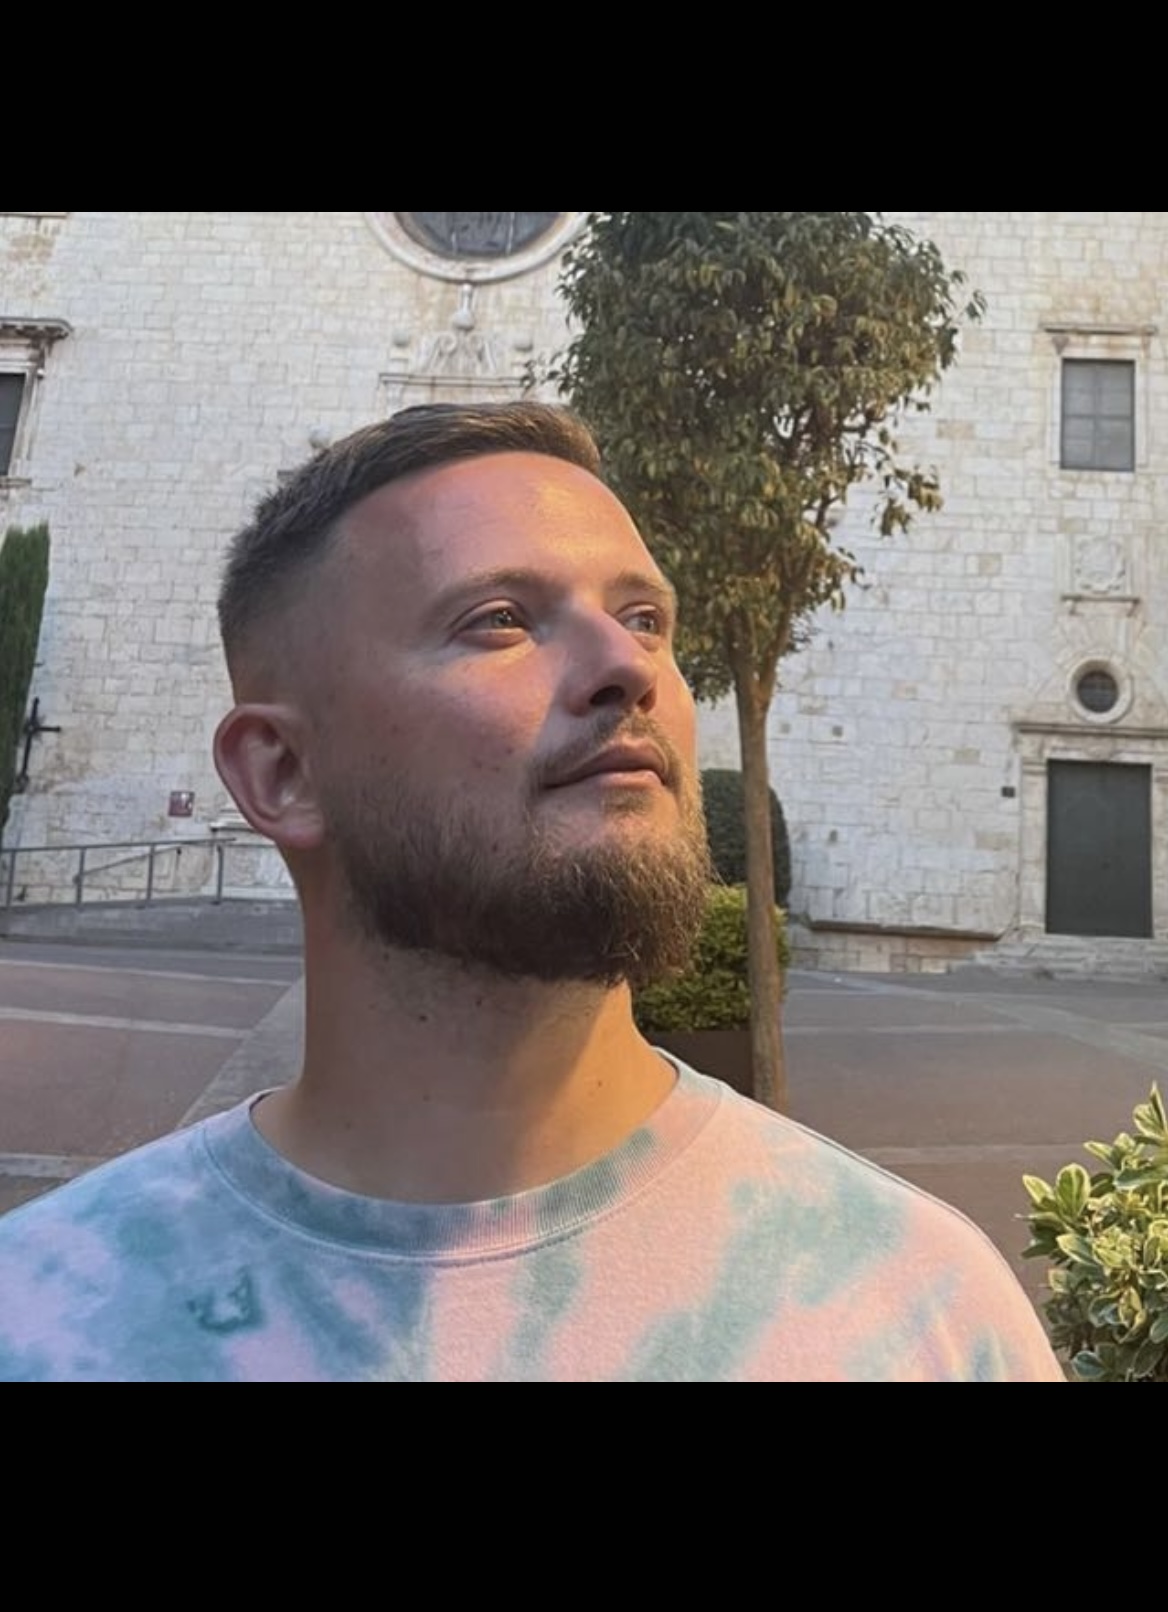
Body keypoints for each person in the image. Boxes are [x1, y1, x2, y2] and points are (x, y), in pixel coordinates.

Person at [0, 402, 1063, 1381]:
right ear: (282, 772)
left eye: (645, 618)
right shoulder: (44, 1324)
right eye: (501, 618)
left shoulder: (925, 1311)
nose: (626, 666)